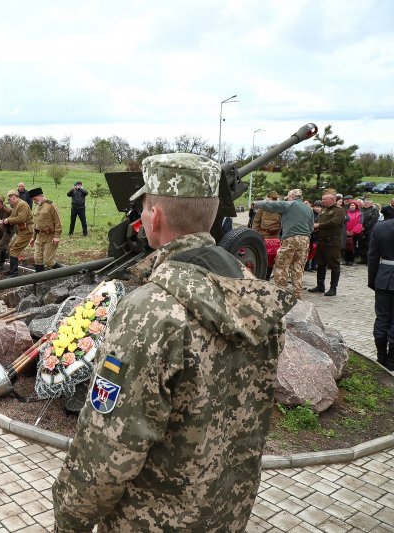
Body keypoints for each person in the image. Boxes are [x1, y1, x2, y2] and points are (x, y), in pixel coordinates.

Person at [53, 153, 297, 532]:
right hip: (224, 512)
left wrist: (70, 520)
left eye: (146, 206)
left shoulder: (149, 310)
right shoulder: (256, 296)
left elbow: (109, 450)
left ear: (155, 217)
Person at [253, 188, 314, 299]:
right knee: (298, 267)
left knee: (282, 266)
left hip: (290, 238)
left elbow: (270, 205)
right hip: (305, 240)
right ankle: (297, 295)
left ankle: (280, 295)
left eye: (288, 196)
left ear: (292, 197)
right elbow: (311, 227)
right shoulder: (309, 209)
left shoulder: (289, 205)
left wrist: (256, 203)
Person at [368, 214, 394, 370]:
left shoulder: (380, 226)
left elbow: (372, 256)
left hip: (383, 277)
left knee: (382, 318)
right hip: (383, 278)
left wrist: (373, 280)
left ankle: (381, 358)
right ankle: (391, 361)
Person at [309, 189, 345, 296]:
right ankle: (320, 285)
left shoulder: (339, 210)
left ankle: (333, 288)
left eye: (324, 199)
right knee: (321, 264)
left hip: (332, 242)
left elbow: (334, 222)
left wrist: (318, 225)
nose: (322, 200)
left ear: (332, 199)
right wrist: (315, 227)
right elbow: (319, 222)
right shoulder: (324, 210)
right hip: (321, 241)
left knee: (334, 265)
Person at [1, 190, 34, 277]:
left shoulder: (22, 204)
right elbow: (12, 216)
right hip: (21, 230)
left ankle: (14, 272)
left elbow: (21, 219)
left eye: (10, 199)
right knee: (11, 246)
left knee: (14, 249)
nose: (9, 201)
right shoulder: (16, 205)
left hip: (27, 230)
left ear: (14, 197)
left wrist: (8, 220)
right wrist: (4, 220)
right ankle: (12, 270)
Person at [29, 188, 62, 270]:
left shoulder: (50, 205)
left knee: (48, 261)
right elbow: (36, 223)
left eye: (35, 199)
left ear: (40, 196)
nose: (34, 201)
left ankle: (65, 272)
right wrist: (33, 237)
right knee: (37, 259)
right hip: (39, 237)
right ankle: (39, 280)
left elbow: (58, 221)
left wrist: (57, 236)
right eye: (32, 199)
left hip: (50, 237)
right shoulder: (37, 207)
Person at [358, 198, 380, 264]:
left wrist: (365, 227)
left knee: (368, 245)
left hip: (370, 230)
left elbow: (374, 220)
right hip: (360, 229)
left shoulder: (374, 210)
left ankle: (369, 260)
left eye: (368, 203)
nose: (366, 204)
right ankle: (363, 259)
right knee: (361, 244)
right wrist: (360, 227)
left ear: (371, 204)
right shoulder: (360, 209)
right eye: (365, 203)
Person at [344, 200, 363, 266]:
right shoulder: (346, 213)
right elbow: (344, 222)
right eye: (350, 205)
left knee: (352, 246)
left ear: (356, 206)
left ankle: (351, 260)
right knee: (346, 246)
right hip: (346, 232)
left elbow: (360, 223)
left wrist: (353, 231)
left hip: (354, 234)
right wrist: (346, 230)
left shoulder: (360, 214)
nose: (351, 206)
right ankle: (346, 259)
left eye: (353, 205)